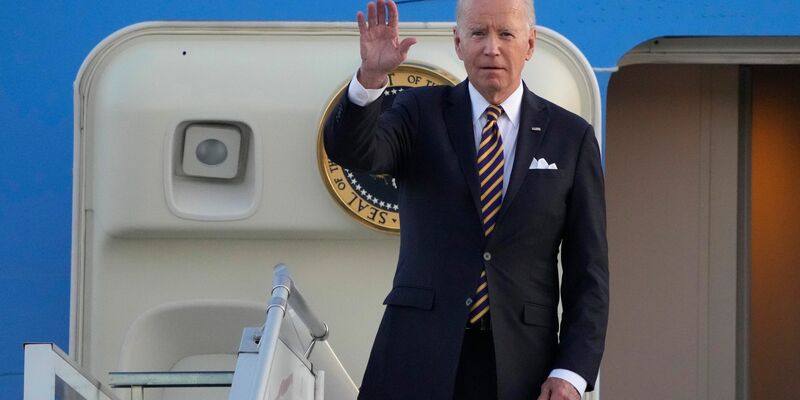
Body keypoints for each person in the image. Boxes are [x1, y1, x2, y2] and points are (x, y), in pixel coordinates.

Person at [324, 0, 609, 398]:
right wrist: (371, 78)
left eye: (505, 34)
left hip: (522, 367)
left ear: (529, 44)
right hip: (416, 357)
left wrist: (571, 374)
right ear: (458, 43)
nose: (491, 47)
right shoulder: (418, 113)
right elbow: (354, 151)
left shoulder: (571, 137)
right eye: (478, 33)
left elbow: (588, 274)